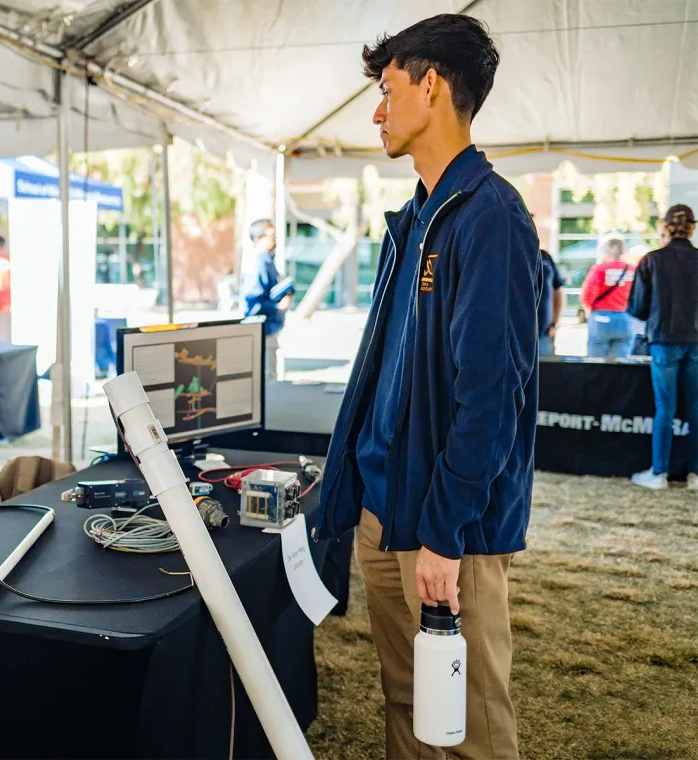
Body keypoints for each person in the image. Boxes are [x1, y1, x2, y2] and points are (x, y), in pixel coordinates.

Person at [315, 16, 538, 759]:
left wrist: (445, 531)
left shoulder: (491, 216)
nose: (377, 111)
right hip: (386, 512)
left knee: (469, 723)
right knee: (409, 706)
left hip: (447, 533)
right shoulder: (415, 217)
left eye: (387, 89)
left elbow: (491, 395)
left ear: (432, 84)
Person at [627, 203, 698, 491]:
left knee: (664, 408)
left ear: (664, 226)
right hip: (696, 342)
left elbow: (636, 306)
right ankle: (695, 475)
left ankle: (659, 473)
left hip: (663, 341)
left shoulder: (652, 260)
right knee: (696, 409)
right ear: (692, 227)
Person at [242, 219, 292, 380]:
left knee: (270, 376)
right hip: (263, 331)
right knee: (268, 379)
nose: (275, 239)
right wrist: (277, 306)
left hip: (269, 329)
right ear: (257, 239)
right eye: (271, 235)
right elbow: (252, 304)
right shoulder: (258, 264)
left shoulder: (267, 262)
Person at [581, 236, 635, 358]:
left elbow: (586, 295)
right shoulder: (633, 269)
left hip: (601, 319)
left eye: (603, 250)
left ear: (613, 248)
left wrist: (589, 312)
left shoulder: (600, 269)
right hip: (625, 319)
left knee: (596, 365)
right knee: (620, 365)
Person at [538, 247, 564, 356]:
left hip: (544, 334)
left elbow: (558, 290)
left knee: (546, 371)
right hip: (515, 337)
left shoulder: (545, 257)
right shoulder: (508, 255)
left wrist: (554, 323)